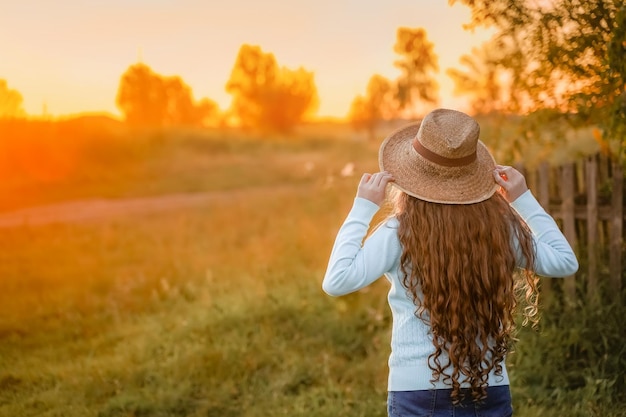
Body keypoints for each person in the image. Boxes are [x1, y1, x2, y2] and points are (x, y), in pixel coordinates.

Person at [322, 108, 579, 417]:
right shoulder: (499, 228)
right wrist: (523, 197)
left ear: (410, 175)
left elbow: (336, 281)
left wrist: (363, 208)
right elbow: (565, 262)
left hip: (417, 391)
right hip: (490, 386)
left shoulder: (398, 232)